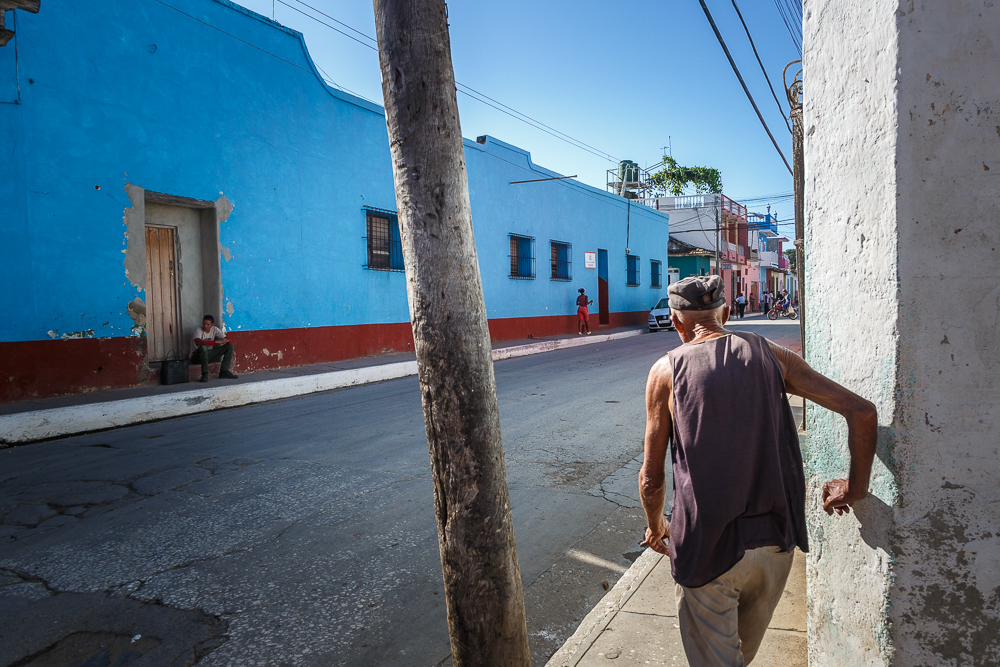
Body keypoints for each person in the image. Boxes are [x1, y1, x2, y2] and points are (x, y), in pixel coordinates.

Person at [639, 275, 876, 666]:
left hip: (706, 550)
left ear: (676, 323)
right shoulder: (770, 354)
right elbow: (862, 411)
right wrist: (856, 487)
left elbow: (651, 478)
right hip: (774, 545)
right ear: (726, 314)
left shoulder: (666, 372)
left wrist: (656, 525)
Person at [191, 315, 239, 382]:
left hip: (209, 355)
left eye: (208, 324)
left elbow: (228, 340)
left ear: (212, 325)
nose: (205, 326)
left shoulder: (214, 329)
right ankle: (204, 374)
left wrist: (226, 340)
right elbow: (198, 342)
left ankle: (224, 371)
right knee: (203, 347)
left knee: (230, 345)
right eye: (204, 324)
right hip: (196, 357)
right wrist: (217, 341)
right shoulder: (198, 330)